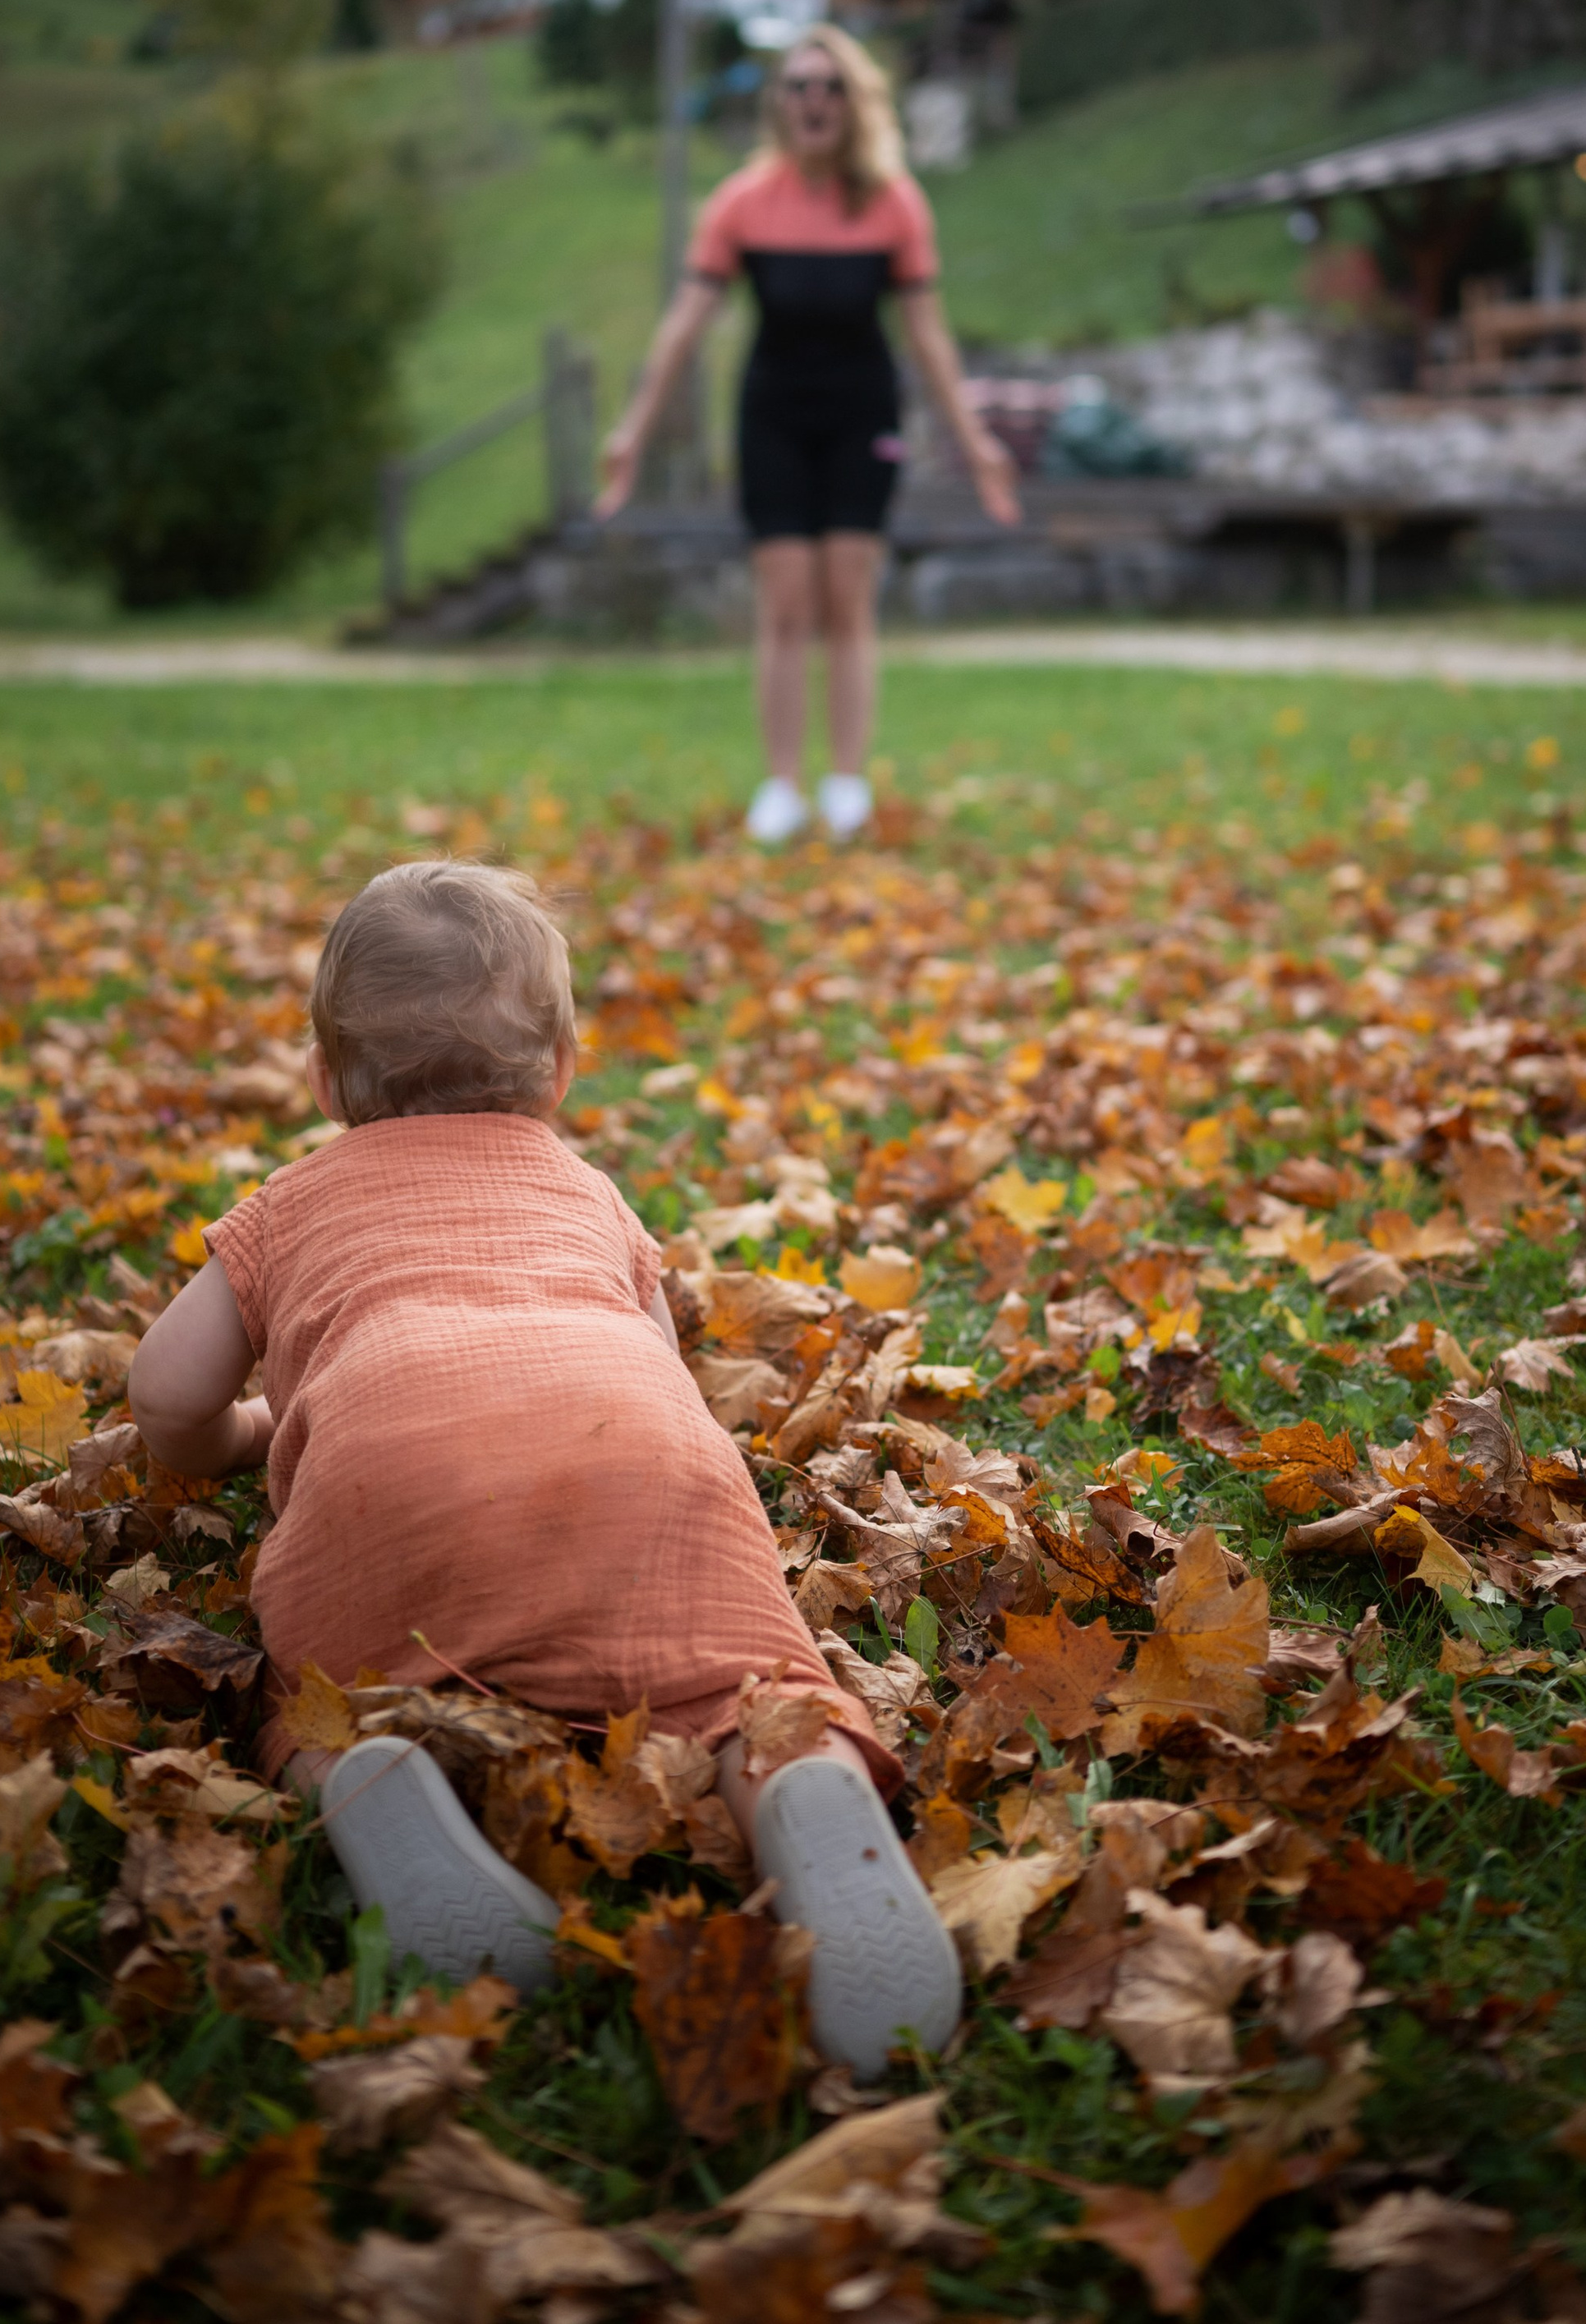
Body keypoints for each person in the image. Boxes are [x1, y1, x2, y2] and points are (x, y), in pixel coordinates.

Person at [126, 856, 960, 2076]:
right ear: (561, 1072)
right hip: (643, 1458)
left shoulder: (291, 1202)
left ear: (320, 1076)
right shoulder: (589, 1190)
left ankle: (371, 1773)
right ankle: (791, 1775)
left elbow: (166, 1390)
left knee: (328, 1695)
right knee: (735, 1681)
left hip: (388, 1485)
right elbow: (657, 1360)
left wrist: (235, 1440)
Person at [594, 25, 1019, 844]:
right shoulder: (743, 203)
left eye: (830, 86)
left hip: (862, 417)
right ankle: (782, 785)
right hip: (772, 417)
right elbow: (684, 325)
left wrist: (976, 444)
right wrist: (632, 430)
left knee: (847, 598)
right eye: (798, 86)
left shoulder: (894, 203)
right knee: (785, 603)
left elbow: (928, 337)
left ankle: (846, 782)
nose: (813, 100)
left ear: (854, 104)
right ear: (778, 106)